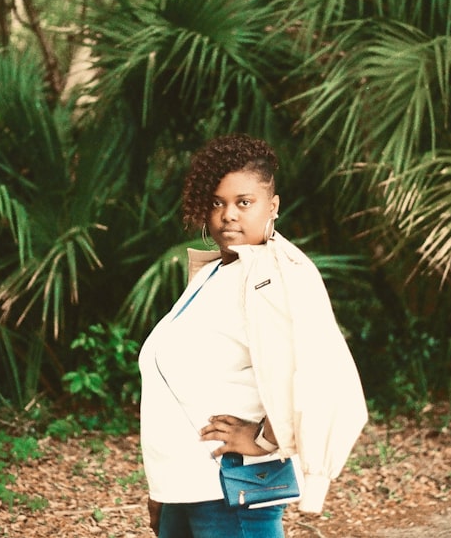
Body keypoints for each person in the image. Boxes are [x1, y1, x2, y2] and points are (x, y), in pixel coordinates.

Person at [138, 133, 368, 538]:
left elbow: (323, 374)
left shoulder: (278, 276)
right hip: (185, 488)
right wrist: (162, 490)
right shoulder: (217, 270)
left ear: (272, 205)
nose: (229, 215)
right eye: (217, 203)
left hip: (229, 492)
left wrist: (265, 438)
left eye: (244, 202)